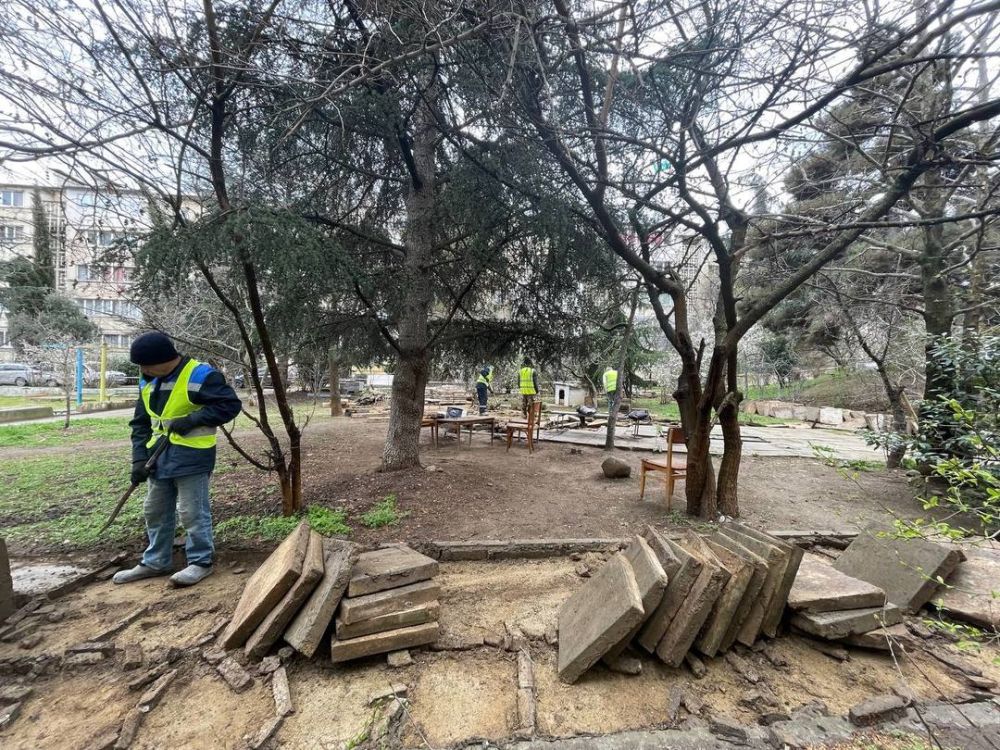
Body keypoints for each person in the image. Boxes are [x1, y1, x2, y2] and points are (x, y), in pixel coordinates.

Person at [113, 331, 242, 588]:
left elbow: (229, 405)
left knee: (192, 512)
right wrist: (138, 460)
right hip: (157, 457)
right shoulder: (147, 380)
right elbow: (140, 423)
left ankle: (200, 562)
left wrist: (193, 420)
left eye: (145, 364)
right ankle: (156, 561)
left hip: (192, 456)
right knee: (155, 511)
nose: (142, 370)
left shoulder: (200, 375)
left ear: (163, 359)